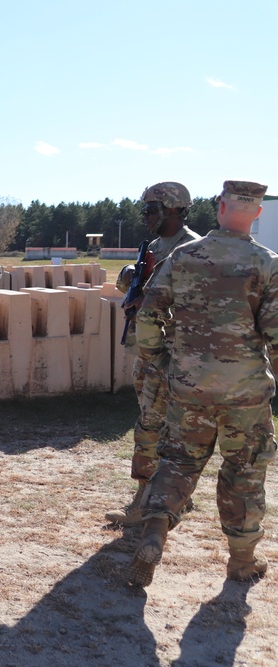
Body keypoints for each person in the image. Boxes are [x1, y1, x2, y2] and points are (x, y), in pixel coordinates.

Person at [125, 181, 277, 587]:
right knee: (243, 470)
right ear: (258, 214)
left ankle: (155, 533)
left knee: (178, 463)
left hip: (188, 387)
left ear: (221, 207)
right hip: (245, 393)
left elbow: (147, 316)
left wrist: (160, 359)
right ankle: (242, 561)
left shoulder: (183, 256)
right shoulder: (267, 263)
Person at [106, 182, 202, 525]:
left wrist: (150, 299)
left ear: (173, 210)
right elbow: (130, 288)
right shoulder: (156, 246)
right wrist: (130, 275)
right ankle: (170, 495)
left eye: (151, 211)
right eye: (144, 210)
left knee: (152, 425)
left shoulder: (192, 248)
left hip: (173, 353)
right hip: (148, 349)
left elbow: (199, 303)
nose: (144, 217)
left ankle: (145, 502)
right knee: (159, 425)